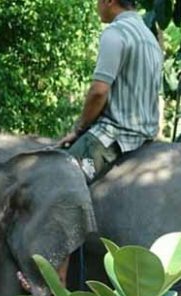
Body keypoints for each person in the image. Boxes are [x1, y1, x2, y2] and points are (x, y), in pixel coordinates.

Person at [59, 0, 163, 179]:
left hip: (113, 137)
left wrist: (78, 129)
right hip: (145, 136)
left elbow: (99, 92)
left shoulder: (116, 32)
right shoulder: (150, 38)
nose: (96, 5)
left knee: (62, 178)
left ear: (109, 1)